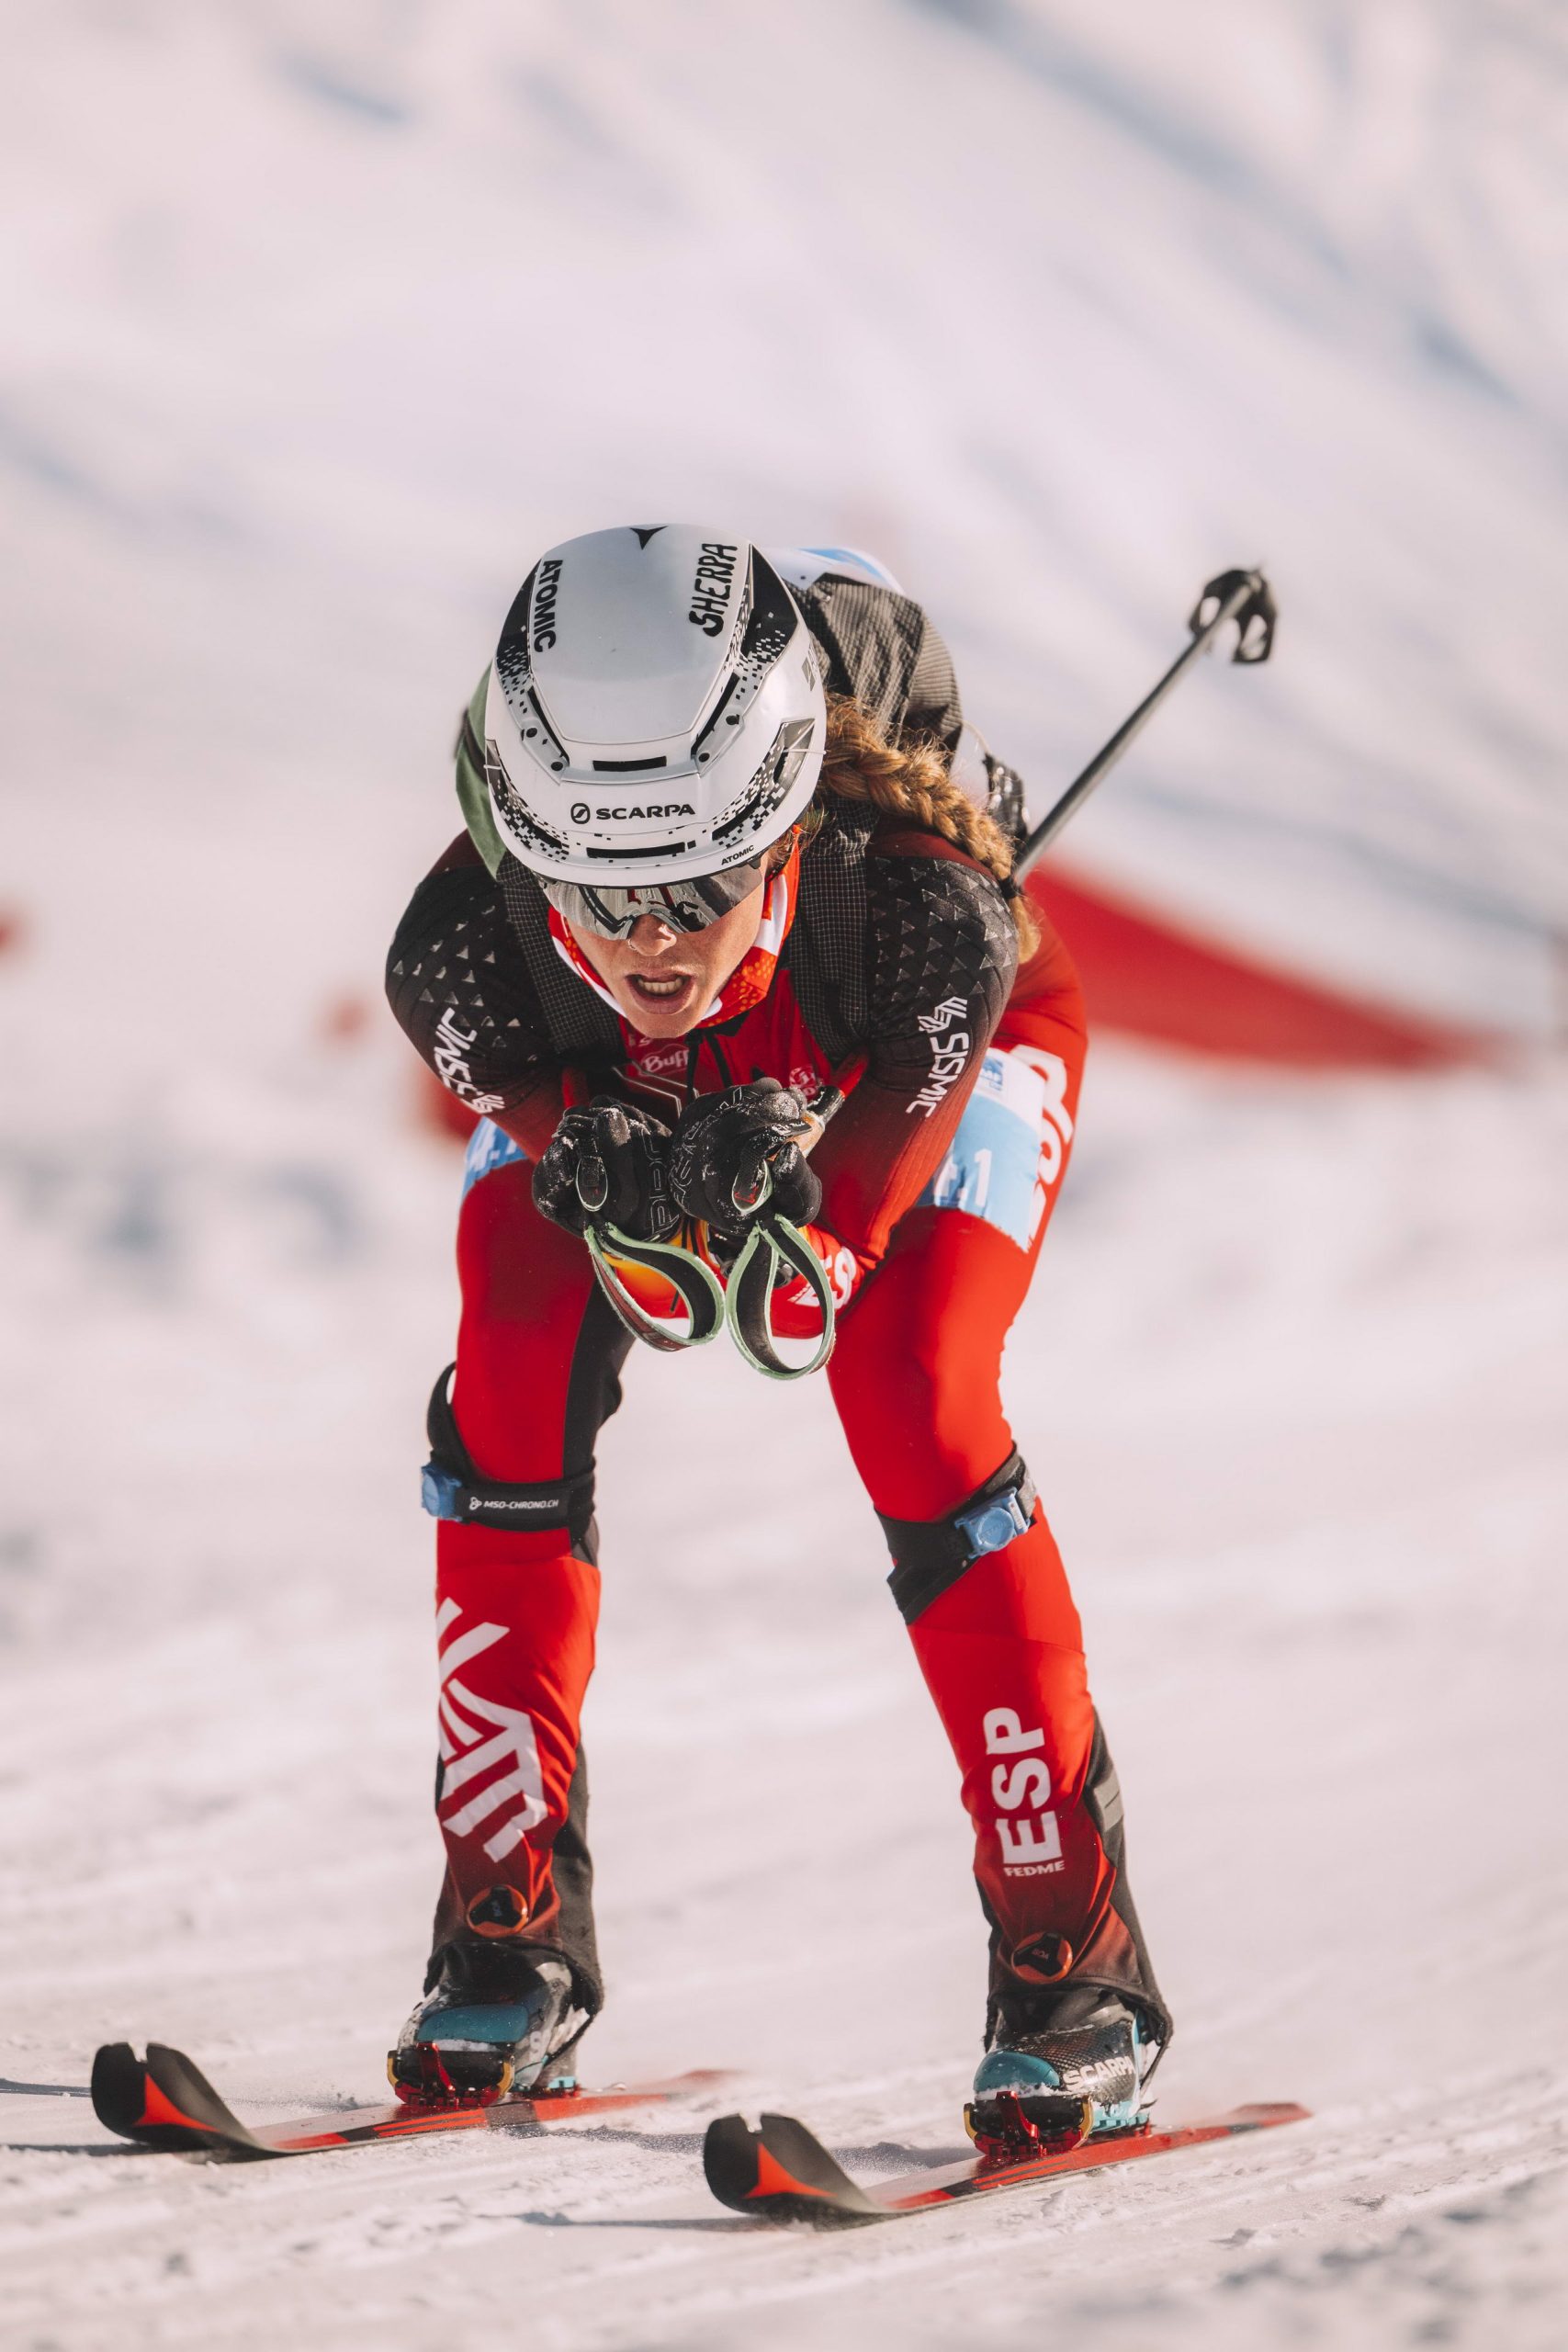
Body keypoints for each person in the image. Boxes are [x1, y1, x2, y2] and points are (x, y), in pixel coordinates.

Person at [384, 526, 1169, 2145]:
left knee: (913, 1389)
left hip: (919, 1057)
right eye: (595, 890)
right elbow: (552, 1133)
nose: (648, 940)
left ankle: (1069, 1953)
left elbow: (823, 1280)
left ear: (787, 830)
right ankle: (504, 1933)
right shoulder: (460, 960)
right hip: (681, 1103)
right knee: (508, 1377)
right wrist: (581, 1135)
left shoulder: (922, 922)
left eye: (696, 883)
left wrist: (809, 1208)